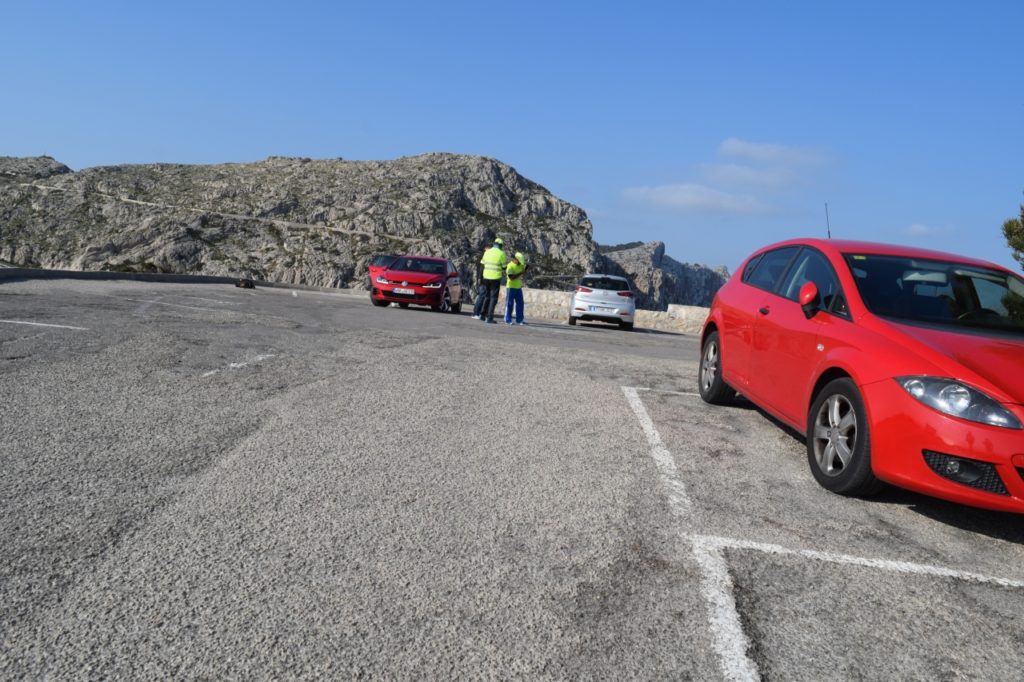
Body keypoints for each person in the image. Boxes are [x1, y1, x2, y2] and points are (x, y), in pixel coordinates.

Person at [477, 238, 507, 323]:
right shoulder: (502, 253)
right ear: (501, 246)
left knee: (487, 296)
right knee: (493, 298)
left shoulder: (487, 252)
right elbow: (504, 267)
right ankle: (489, 317)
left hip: (486, 277)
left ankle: (482, 315)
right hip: (495, 278)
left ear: (494, 244)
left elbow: (482, 265)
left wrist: (480, 277)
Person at [503, 252, 527, 325]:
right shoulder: (509, 266)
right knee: (509, 303)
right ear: (515, 259)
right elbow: (511, 277)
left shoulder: (520, 265)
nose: (520, 263)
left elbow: (524, 268)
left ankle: (520, 319)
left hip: (518, 287)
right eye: (519, 262)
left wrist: (525, 269)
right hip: (511, 287)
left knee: (520, 303)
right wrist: (521, 273)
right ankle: (507, 319)